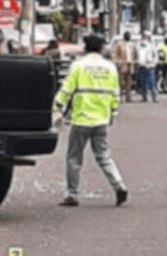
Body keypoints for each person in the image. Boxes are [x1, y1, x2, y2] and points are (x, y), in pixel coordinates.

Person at [53, 33, 129, 208]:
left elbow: (66, 89)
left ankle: (72, 194)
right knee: (104, 157)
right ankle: (119, 185)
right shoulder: (110, 68)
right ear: (102, 48)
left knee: (74, 158)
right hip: (101, 118)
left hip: (81, 118)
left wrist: (57, 107)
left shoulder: (78, 66)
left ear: (85, 48)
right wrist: (113, 113)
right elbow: (115, 94)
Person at [112, 31, 138, 103]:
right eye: (127, 35)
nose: (128, 37)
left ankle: (128, 97)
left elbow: (136, 54)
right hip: (122, 65)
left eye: (129, 35)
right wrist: (117, 61)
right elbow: (115, 54)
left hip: (130, 64)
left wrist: (135, 62)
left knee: (129, 82)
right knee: (120, 82)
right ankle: (120, 97)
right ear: (124, 36)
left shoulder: (132, 44)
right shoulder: (119, 44)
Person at [137, 34, 159, 102]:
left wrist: (153, 64)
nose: (145, 39)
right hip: (142, 66)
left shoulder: (152, 46)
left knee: (151, 82)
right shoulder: (139, 46)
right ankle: (144, 97)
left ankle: (154, 97)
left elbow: (156, 56)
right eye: (144, 37)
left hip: (149, 66)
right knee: (143, 83)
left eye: (146, 38)